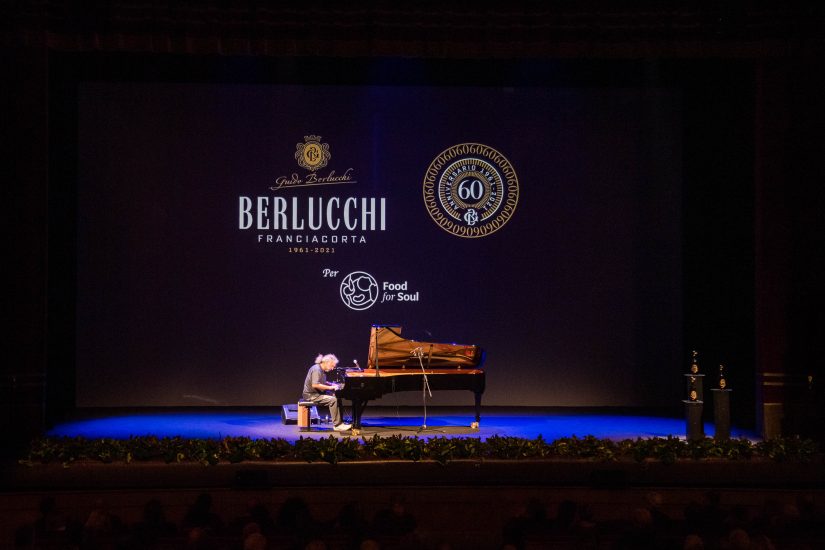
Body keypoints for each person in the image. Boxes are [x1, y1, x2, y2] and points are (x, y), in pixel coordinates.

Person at [303, 353, 351, 431]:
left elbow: (322, 381)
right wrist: (330, 387)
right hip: (311, 395)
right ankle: (337, 425)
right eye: (332, 366)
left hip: (317, 394)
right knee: (333, 400)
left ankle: (340, 422)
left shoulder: (321, 370)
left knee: (337, 396)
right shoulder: (316, 369)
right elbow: (315, 385)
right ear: (327, 362)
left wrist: (332, 384)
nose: (332, 368)